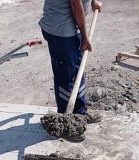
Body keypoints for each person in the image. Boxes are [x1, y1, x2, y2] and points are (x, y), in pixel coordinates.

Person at [39, 0, 103, 141]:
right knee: (66, 75)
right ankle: (65, 121)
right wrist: (85, 37)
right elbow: (75, 3)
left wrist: (93, 1)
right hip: (60, 30)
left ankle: (79, 113)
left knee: (78, 71)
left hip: (73, 26)